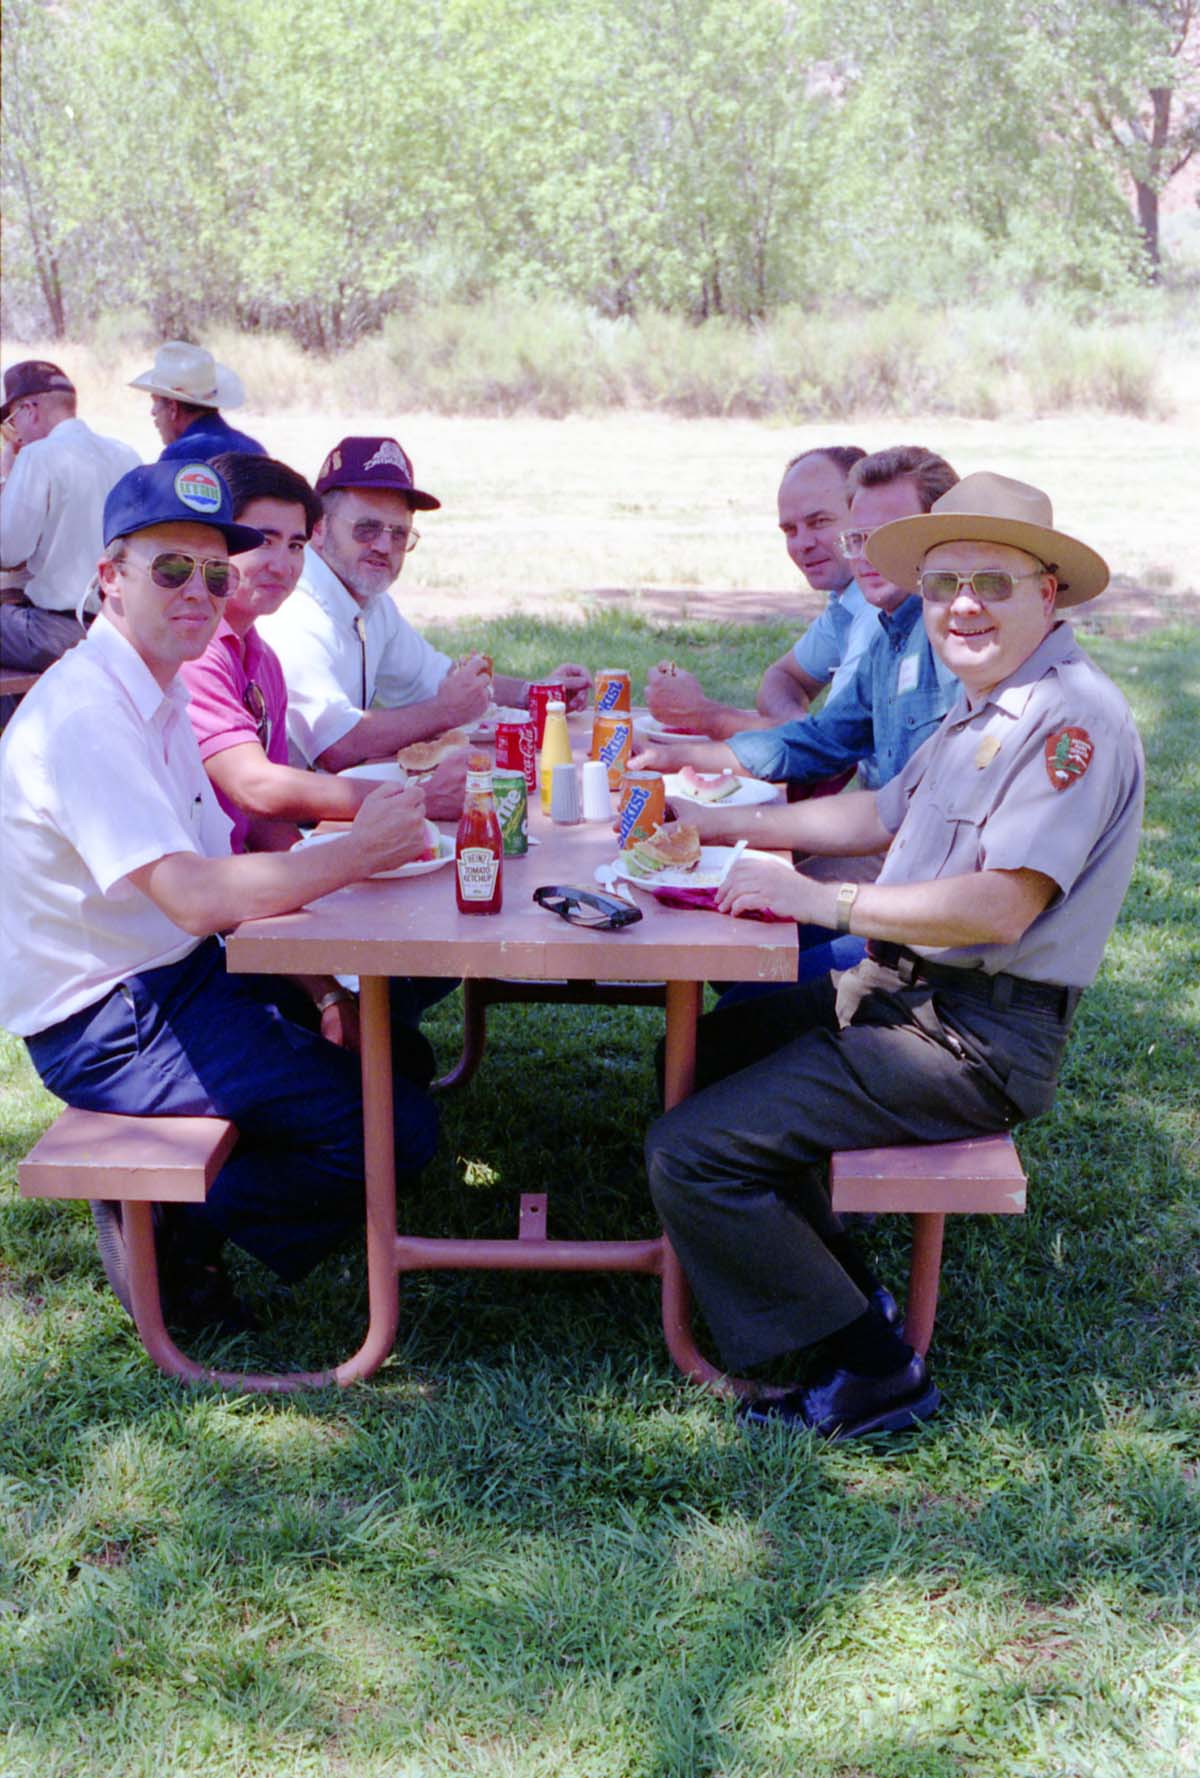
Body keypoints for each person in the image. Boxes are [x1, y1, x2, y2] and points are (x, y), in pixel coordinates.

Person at [645, 473, 1144, 1441]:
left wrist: (822, 899)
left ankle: (873, 1371)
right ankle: (842, 1286)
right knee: (701, 1055)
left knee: (689, 1150)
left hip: (973, 1036)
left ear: (1049, 592)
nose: (963, 604)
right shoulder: (987, 699)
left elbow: (1000, 906)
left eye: (992, 582)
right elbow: (877, 813)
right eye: (944, 582)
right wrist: (713, 821)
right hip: (903, 993)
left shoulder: (1069, 717)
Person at [0, 459, 438, 1329]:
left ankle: (198, 1196)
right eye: (171, 569)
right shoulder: (88, 713)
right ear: (110, 578)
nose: (198, 592)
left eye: (212, 572)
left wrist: (325, 991)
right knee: (395, 1132)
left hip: (180, 972)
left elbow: (224, 877)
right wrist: (361, 849)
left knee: (397, 1056)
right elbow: (197, 897)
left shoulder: (154, 689)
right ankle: (173, 1224)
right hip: (109, 1018)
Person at [637, 445, 964, 983]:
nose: (867, 554)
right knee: (730, 931)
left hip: (930, 910)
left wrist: (722, 817)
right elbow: (816, 741)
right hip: (892, 860)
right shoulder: (891, 633)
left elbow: (902, 823)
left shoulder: (959, 643)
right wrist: (677, 757)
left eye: (889, 536)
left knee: (744, 970)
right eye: (858, 538)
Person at [258, 435, 591, 774]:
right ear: (318, 529)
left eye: (399, 534)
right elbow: (336, 745)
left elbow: (435, 678)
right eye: (366, 529)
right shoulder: (293, 609)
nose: (384, 546)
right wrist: (445, 711)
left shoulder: (371, 602)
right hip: (295, 806)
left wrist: (533, 693)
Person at [643, 445, 879, 739]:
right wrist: (797, 729)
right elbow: (783, 678)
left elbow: (832, 749)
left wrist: (705, 715)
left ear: (866, 516)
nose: (802, 544)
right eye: (790, 530)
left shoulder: (876, 611)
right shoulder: (848, 600)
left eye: (819, 522)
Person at [0, 359, 140, 722]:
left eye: (11, 421)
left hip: (57, 630)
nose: (14, 433)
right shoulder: (126, 454)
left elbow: (7, 551)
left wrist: (7, 473)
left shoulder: (38, 456)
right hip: (121, 627)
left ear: (29, 409)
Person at [130, 341, 266, 462]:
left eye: (155, 401)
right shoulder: (255, 449)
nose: (152, 412)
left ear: (172, 407)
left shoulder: (178, 455)